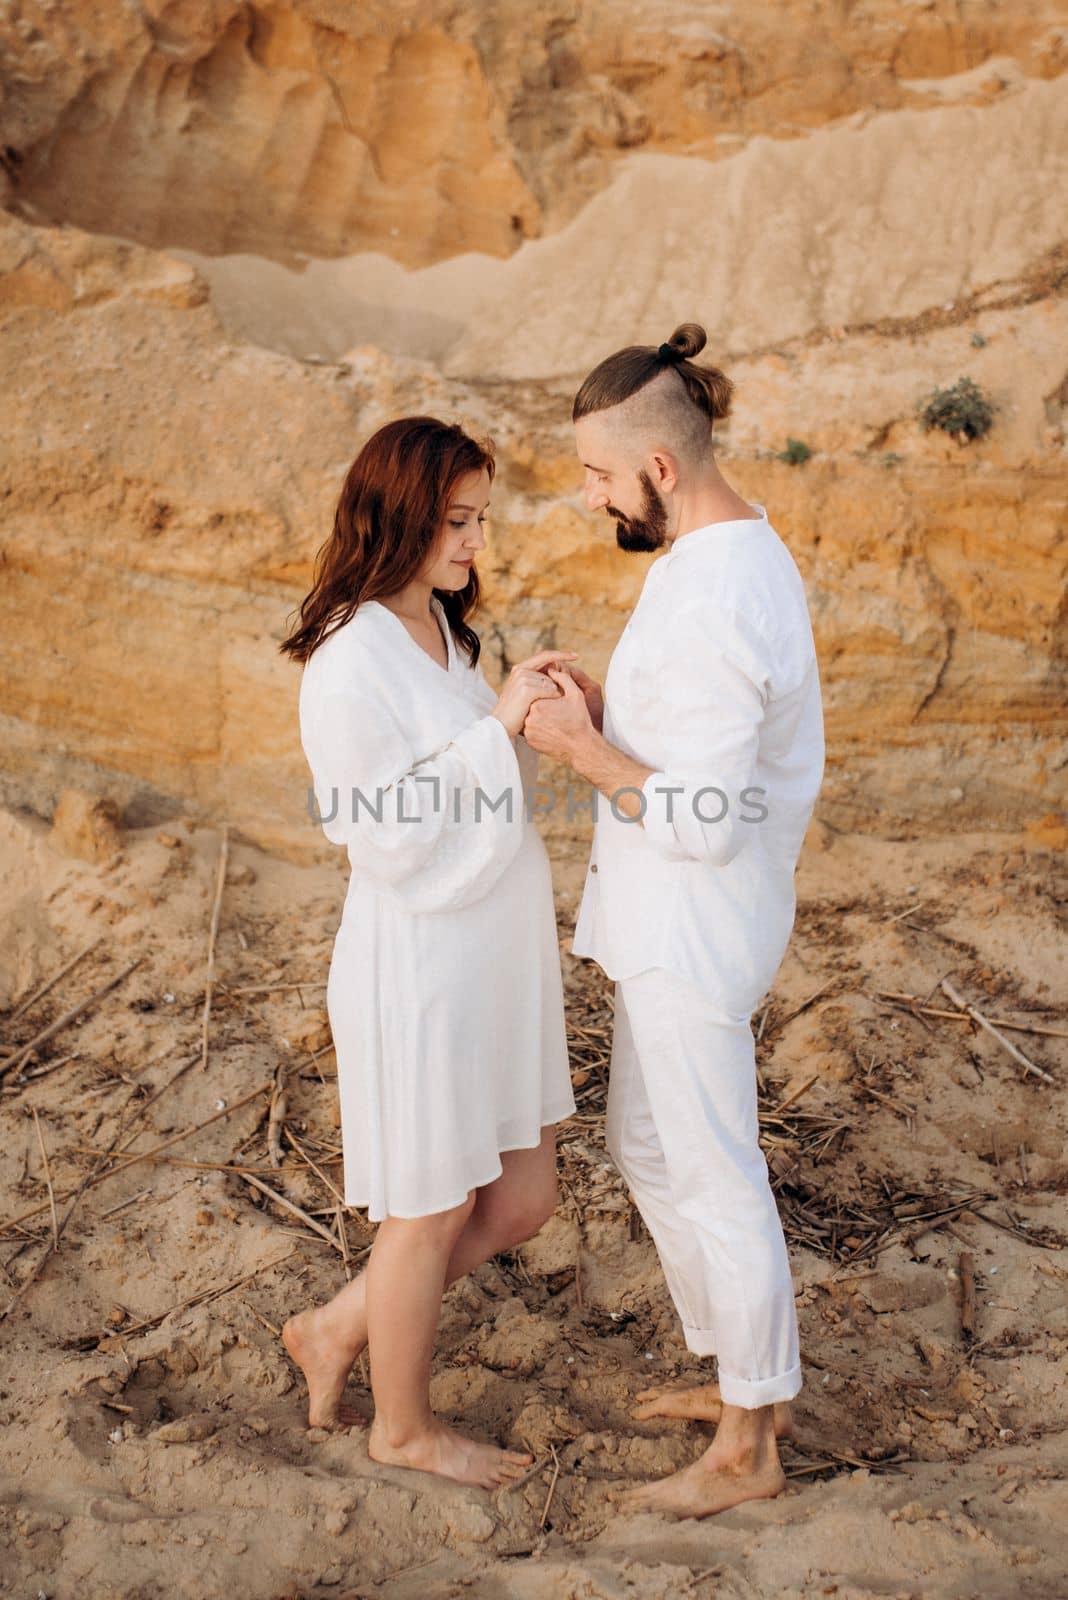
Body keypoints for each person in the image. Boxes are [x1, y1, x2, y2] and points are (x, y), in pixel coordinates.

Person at [521, 322, 826, 1518]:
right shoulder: (722, 555)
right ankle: (746, 1377)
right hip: (673, 921)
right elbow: (704, 751)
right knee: (651, 1148)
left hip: (697, 924)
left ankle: (751, 1445)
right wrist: (613, 714)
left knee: (711, 1166)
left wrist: (584, 750)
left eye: (599, 476)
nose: (588, 496)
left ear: (660, 468)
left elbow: (700, 818)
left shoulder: (714, 592)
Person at [278, 416, 578, 1490]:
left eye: (481, 519)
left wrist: (533, 708)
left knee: (524, 1196)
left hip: (494, 956)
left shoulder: (451, 639)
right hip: (421, 963)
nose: (475, 544)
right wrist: (491, 733)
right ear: (399, 516)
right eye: (458, 521)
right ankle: (401, 1426)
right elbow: (385, 833)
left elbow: (476, 774)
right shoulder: (347, 657)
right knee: (431, 1206)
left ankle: (337, 1325)